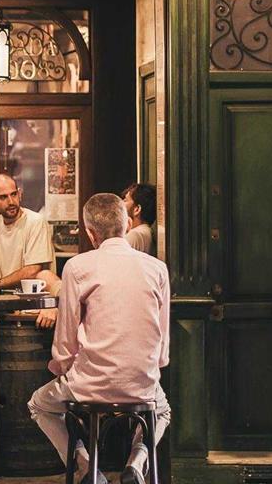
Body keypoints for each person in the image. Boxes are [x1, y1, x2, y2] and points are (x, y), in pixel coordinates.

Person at [27, 193, 171, 484]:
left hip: (89, 385)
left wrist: (64, 369)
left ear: (90, 232)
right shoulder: (157, 269)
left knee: (38, 405)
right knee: (162, 410)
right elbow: (163, 350)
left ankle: (86, 468)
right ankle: (137, 461)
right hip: (141, 383)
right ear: (127, 223)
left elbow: (65, 342)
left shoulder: (78, 267)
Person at [0, 173, 61, 328]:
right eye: (3, 197)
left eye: (13, 194)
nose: (11, 201)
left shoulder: (35, 221)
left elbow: (33, 270)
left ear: (20, 193)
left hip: (33, 310)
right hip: (3, 308)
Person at [122, 182, 157, 255]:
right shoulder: (145, 232)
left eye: (125, 200)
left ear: (137, 209)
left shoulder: (135, 235)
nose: (121, 203)